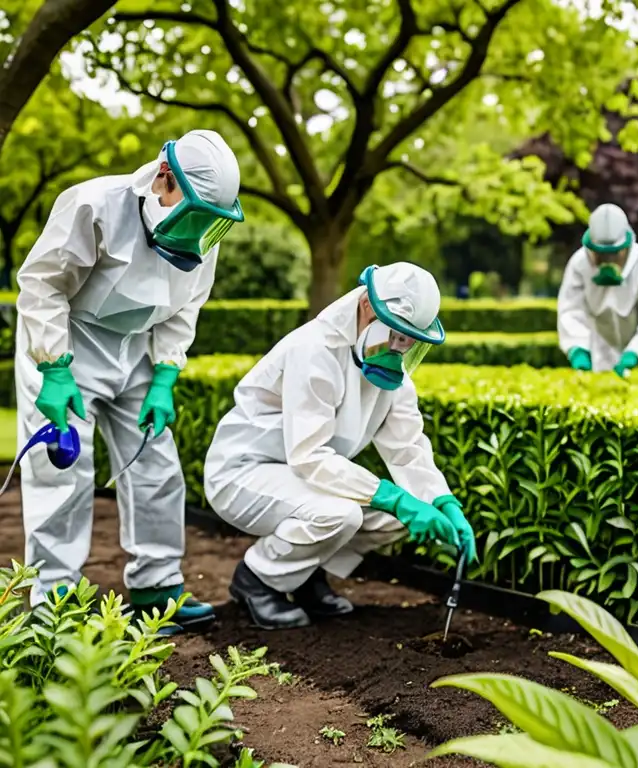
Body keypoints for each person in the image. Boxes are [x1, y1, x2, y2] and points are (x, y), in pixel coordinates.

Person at [15, 129, 244, 631]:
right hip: (68, 339)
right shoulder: (94, 204)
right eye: (196, 212)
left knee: (157, 467)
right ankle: (54, 600)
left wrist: (165, 374)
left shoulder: (202, 235)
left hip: (136, 351)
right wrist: (53, 367)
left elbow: (185, 308)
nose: (200, 229)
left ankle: (157, 588)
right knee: (63, 468)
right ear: (165, 178)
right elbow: (42, 286)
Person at [203, 262, 476, 630]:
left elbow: (408, 447)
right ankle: (257, 580)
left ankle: (304, 575)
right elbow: (309, 456)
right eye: (395, 335)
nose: (399, 349)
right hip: (246, 472)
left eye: (409, 341)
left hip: (304, 478)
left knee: (398, 517)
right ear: (367, 307)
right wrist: (395, 497)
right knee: (342, 513)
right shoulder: (313, 350)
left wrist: (444, 503)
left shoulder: (389, 371)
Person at [557, 203, 638, 377]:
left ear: (626, 247)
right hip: (602, 350)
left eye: (613, 254)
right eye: (601, 254)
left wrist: (635, 352)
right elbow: (570, 310)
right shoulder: (580, 264)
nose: (607, 261)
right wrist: (577, 348)